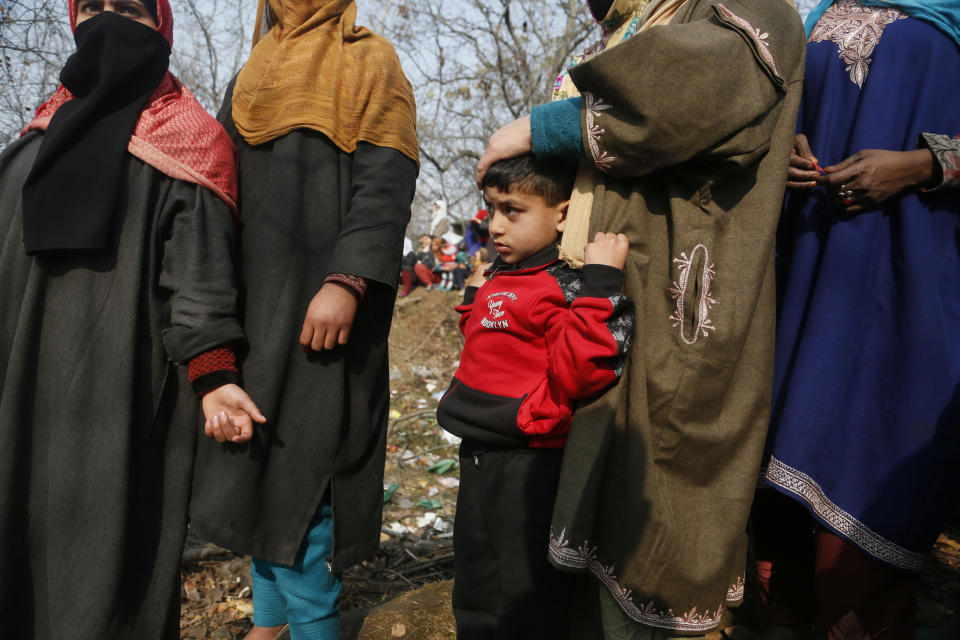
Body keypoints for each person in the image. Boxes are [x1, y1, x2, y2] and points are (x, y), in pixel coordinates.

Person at [475, 0, 805, 637]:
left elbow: (697, 89)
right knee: (592, 507)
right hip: (609, 295)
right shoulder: (631, 24)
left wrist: (537, 129)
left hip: (680, 305)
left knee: (656, 512)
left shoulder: (747, 8)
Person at [0, 0, 265, 637]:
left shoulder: (193, 142)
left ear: (162, 26)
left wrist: (213, 373)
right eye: (93, 6)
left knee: (105, 565)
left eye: (130, 9)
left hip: (118, 393)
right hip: (16, 391)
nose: (109, 22)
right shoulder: (28, 148)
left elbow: (200, 279)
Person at [187, 1, 419, 639]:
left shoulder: (371, 60)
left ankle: (315, 627)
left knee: (305, 475)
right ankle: (269, 624)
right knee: (257, 461)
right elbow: (220, 188)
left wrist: (348, 278)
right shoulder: (252, 73)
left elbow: (386, 182)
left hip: (328, 309)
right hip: (253, 305)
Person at [751, 0, 960, 637]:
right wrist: (785, 142)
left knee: (875, 470)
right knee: (778, 537)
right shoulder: (815, 14)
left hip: (914, 284)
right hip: (810, 272)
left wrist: (923, 164)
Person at [437, 154, 634, 639]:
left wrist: (602, 283)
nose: (496, 226)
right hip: (477, 450)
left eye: (513, 210)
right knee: (475, 578)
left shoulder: (566, 287)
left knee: (526, 590)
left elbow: (580, 370)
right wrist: (471, 302)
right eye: (491, 210)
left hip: (530, 462)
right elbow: (492, 342)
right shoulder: (500, 276)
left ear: (563, 215)